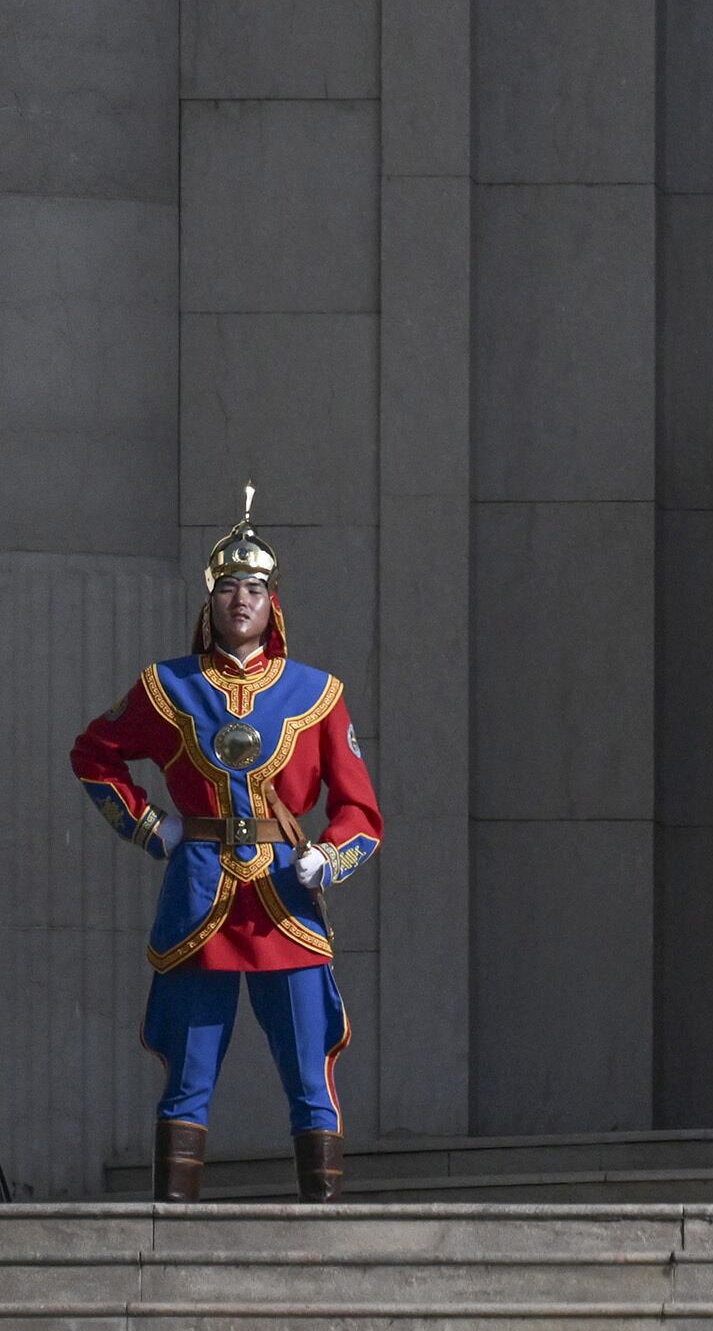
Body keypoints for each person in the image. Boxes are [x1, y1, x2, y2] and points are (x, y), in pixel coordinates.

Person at [68, 487, 383, 1203]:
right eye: (231, 586)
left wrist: (328, 856)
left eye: (257, 587)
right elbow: (94, 755)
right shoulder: (165, 687)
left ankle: (324, 1215)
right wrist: (151, 827)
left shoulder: (319, 693)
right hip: (199, 893)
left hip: (285, 900)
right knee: (188, 1072)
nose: (243, 598)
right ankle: (170, 1229)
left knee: (310, 1069)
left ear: (275, 603)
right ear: (210, 600)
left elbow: (362, 811)